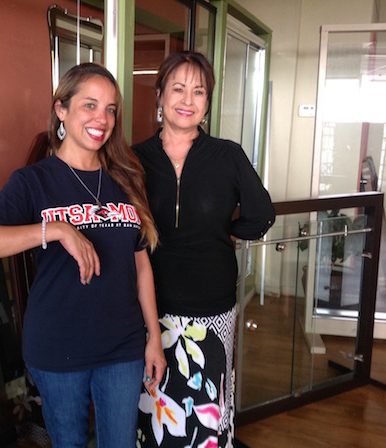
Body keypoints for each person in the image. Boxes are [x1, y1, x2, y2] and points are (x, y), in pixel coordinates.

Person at [0, 62, 166, 447]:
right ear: (61, 109)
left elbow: (140, 263)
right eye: (89, 105)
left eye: (110, 109)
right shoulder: (34, 180)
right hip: (58, 345)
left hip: (122, 345)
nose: (101, 119)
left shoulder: (125, 178)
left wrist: (153, 336)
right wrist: (55, 230)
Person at [134, 51, 275, 448]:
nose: (188, 99)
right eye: (178, 88)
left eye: (199, 92)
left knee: (207, 405)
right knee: (155, 405)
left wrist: (225, 231)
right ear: (160, 95)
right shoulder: (134, 158)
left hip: (211, 307)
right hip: (152, 304)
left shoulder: (226, 155)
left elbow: (262, 214)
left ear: (207, 103)